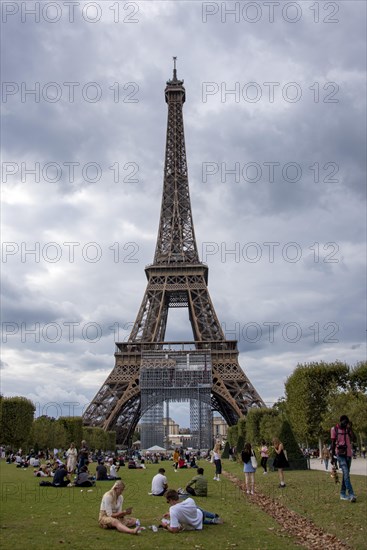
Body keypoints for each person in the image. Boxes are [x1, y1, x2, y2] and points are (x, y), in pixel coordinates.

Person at [331, 415, 356, 502]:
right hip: (340, 455)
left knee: (346, 475)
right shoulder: (334, 429)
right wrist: (332, 457)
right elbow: (333, 444)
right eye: (344, 422)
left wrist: (350, 429)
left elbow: (354, 439)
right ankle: (351, 494)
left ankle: (342, 494)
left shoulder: (347, 429)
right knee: (346, 473)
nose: (345, 424)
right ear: (340, 421)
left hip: (348, 454)